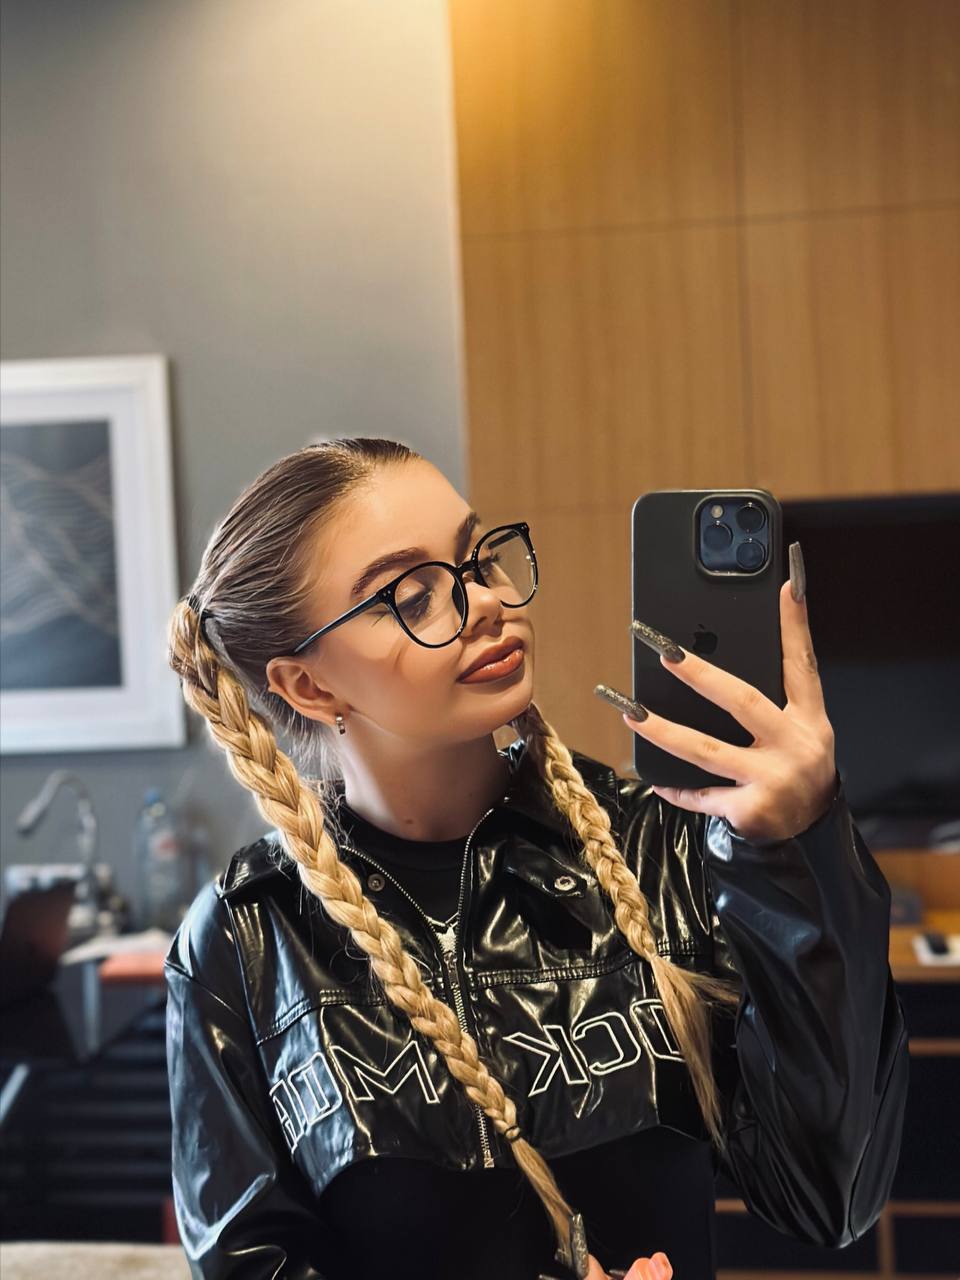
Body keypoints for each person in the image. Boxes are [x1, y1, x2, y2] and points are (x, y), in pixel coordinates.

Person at [163, 437, 909, 1280]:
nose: (486, 602)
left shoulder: (665, 847)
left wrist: (799, 853)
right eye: (413, 595)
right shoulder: (245, 938)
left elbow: (830, 1197)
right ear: (309, 686)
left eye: (478, 559)